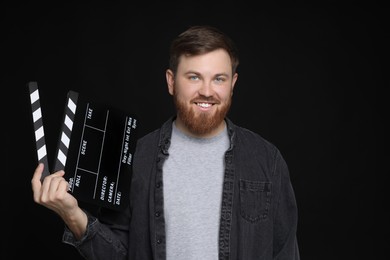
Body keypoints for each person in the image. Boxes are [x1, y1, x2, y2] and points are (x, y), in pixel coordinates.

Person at [31, 25, 300, 259]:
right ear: (171, 81)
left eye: (219, 78)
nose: (207, 91)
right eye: (194, 77)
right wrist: (73, 215)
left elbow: (285, 252)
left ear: (233, 84)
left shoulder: (267, 160)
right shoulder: (137, 159)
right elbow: (120, 253)